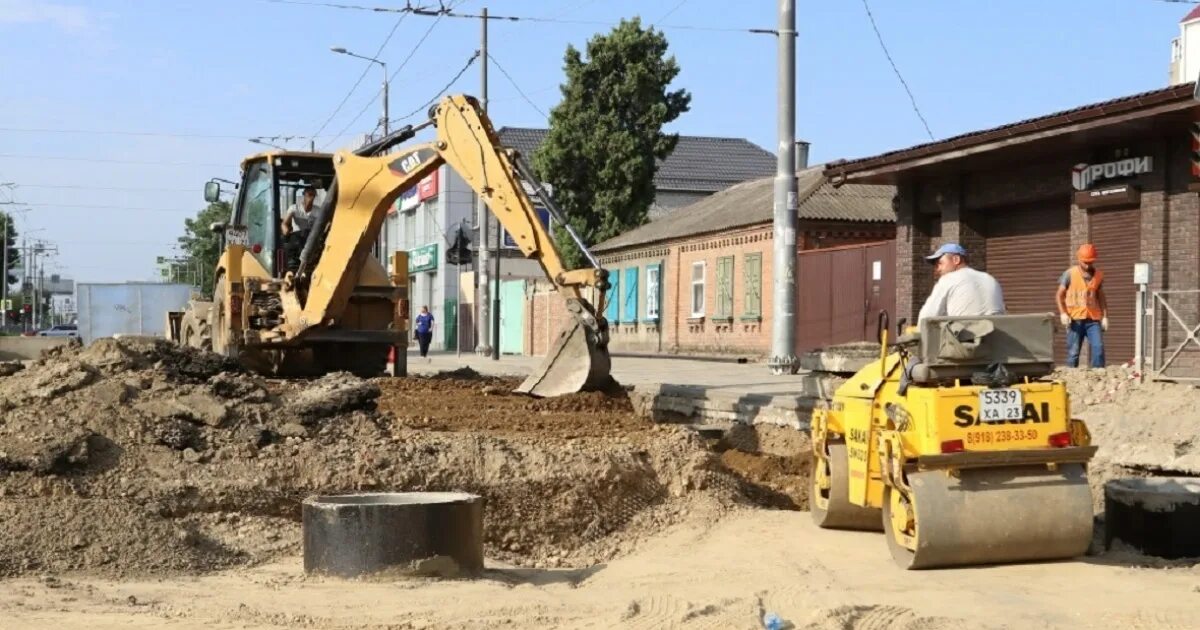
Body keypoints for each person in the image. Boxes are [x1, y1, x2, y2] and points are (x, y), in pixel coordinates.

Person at [917, 243, 1006, 323]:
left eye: (940, 263)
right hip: (997, 338)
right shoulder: (990, 279)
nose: (937, 269)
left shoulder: (948, 279)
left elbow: (926, 318)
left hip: (965, 339)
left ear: (956, 259)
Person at [1056, 243, 1107, 368]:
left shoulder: (1098, 275)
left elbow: (1101, 296)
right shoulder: (1069, 274)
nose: (1087, 265)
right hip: (1075, 319)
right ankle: (1072, 377)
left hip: (1093, 319)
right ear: (1079, 259)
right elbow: (1059, 295)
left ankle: (1098, 376)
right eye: (1085, 262)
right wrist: (1063, 313)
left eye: (1090, 262)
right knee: (1073, 352)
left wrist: (1105, 316)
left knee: (1098, 348)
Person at [281, 187, 317, 271]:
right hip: (296, 238)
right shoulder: (294, 208)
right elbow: (284, 223)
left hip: (311, 238)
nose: (311, 198)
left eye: (313, 195)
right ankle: (292, 262)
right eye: (309, 195)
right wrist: (285, 228)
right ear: (304, 195)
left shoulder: (318, 211)